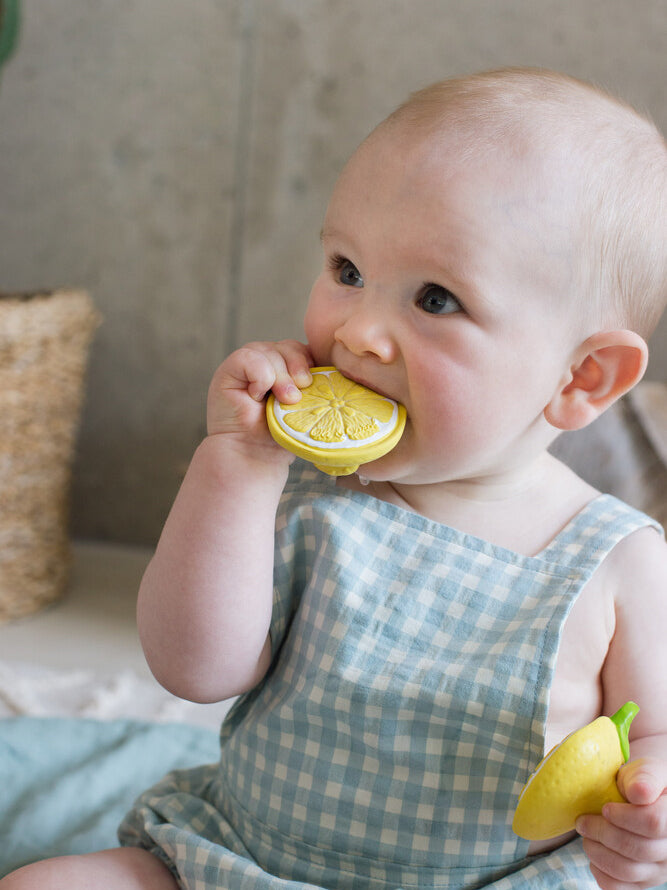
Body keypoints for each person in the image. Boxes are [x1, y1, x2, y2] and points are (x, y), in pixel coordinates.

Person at [3, 67, 667, 890]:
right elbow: (193, 671)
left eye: (435, 299)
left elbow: (655, 738)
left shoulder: (617, 561)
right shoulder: (305, 488)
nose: (356, 333)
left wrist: (647, 814)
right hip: (243, 862)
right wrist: (235, 466)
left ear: (581, 376)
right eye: (347, 270)